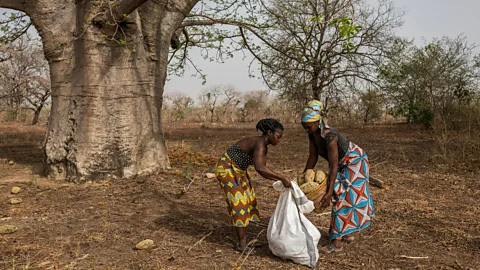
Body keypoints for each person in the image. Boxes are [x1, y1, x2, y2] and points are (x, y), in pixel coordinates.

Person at [301, 100, 375, 254]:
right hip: (342, 164)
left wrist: (328, 192)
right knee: (344, 196)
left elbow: (333, 165)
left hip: (355, 162)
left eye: (309, 124)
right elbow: (312, 157)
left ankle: (337, 243)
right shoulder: (312, 135)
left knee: (339, 195)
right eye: (304, 124)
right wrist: (304, 178)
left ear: (319, 121)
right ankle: (345, 233)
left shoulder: (330, 136)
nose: (306, 128)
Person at [215, 118, 292, 252]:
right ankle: (242, 244)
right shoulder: (260, 144)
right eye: (278, 136)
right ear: (269, 132)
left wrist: (280, 180)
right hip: (227, 168)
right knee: (239, 202)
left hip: (238, 170)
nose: (279, 140)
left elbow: (263, 170)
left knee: (248, 200)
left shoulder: (262, 146)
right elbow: (260, 168)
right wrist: (281, 177)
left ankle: (243, 240)